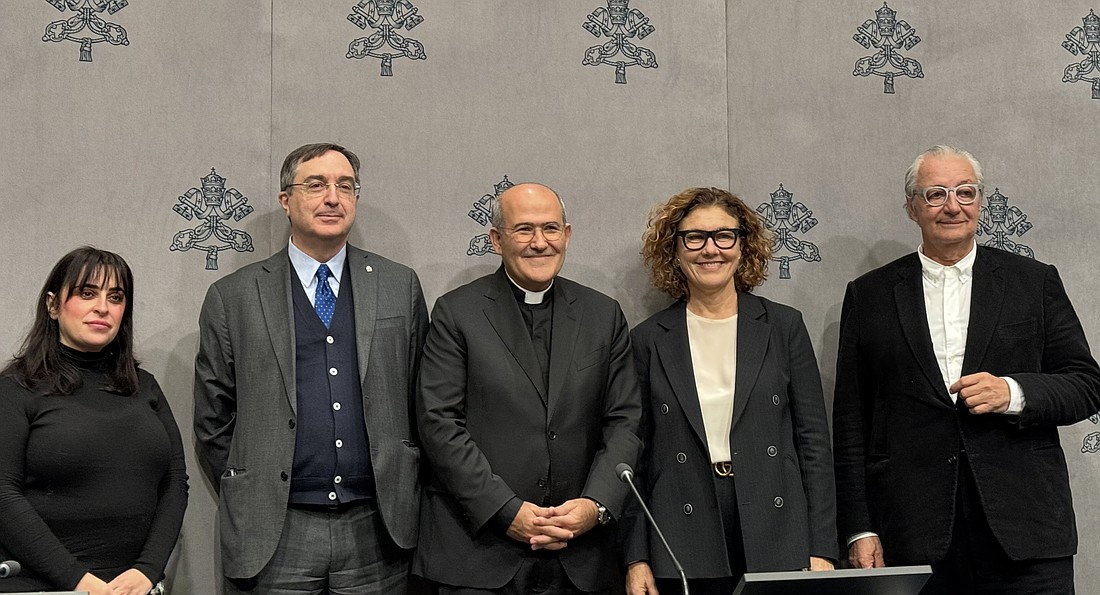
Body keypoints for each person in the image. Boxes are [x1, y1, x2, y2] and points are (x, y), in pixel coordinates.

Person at [833, 145, 1100, 594]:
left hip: (1026, 532)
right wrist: (859, 527)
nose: (952, 205)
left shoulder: (1033, 281)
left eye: (965, 191)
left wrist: (1013, 392)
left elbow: (1086, 385)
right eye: (935, 194)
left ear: (981, 201)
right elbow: (850, 420)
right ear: (912, 207)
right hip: (914, 536)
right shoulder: (870, 294)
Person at [193, 142, 429, 593]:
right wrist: (256, 480)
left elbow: (424, 400)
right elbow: (212, 418)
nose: (333, 197)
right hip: (276, 532)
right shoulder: (234, 296)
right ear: (286, 199)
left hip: (378, 530)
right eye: (316, 185)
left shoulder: (400, 286)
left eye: (345, 185)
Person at [414, 182, 643, 594]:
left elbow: (625, 421)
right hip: (478, 555)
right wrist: (505, 510)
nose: (540, 243)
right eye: (524, 230)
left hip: (583, 558)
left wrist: (595, 507)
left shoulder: (603, 315)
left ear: (567, 235)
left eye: (551, 229)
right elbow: (439, 424)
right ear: (496, 240)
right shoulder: (456, 312)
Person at [621, 187, 836, 595]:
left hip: (777, 527)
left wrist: (822, 547)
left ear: (743, 244)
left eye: (724, 235)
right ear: (675, 249)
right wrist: (637, 557)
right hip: (682, 530)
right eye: (694, 237)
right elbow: (635, 457)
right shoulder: (648, 339)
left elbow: (813, 445)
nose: (710, 250)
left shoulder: (783, 326)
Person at [0, 246, 188, 595]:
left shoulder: (143, 386)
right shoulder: (16, 388)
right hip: (43, 587)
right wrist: (79, 581)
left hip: (133, 588)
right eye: (87, 293)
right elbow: (2, 494)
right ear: (53, 305)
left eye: (115, 297)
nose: (102, 307)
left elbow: (175, 481)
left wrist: (147, 570)